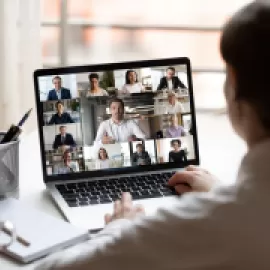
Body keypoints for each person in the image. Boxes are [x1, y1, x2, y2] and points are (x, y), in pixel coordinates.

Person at [38, 3, 270, 269]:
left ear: (234, 79)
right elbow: (93, 145)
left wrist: (121, 228)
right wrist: (220, 195)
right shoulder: (236, 214)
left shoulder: (198, 227)